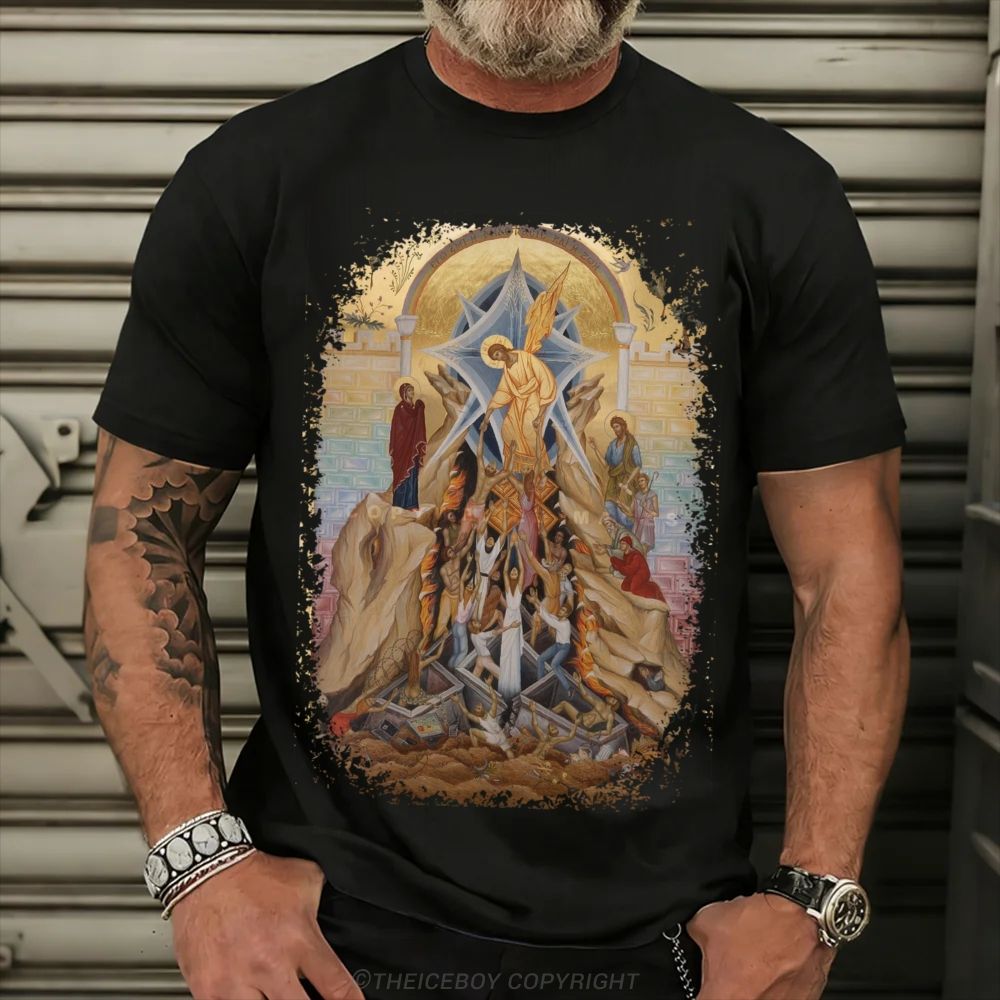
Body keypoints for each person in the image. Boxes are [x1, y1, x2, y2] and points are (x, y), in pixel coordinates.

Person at [84, 3, 909, 999]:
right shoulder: (258, 178)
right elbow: (139, 530)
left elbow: (846, 571)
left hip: (672, 950)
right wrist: (200, 867)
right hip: (326, 943)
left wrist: (813, 899)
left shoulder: (770, 194)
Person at [388, 381, 426, 509]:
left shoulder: (415, 409)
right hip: (402, 449)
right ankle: (399, 503)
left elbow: (417, 425)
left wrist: (420, 409)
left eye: (413, 390)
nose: (412, 392)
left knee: (412, 474)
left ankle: (411, 503)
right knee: (403, 474)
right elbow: (397, 431)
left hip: (412, 447)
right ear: (404, 393)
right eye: (409, 390)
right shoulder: (400, 409)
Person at [599, 414, 642, 527]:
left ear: (623, 426)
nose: (615, 430)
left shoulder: (632, 444)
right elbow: (606, 464)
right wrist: (595, 449)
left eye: (617, 426)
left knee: (624, 512)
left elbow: (638, 466)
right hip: (613, 481)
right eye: (613, 427)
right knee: (609, 505)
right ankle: (617, 531)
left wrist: (627, 483)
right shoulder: (613, 444)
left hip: (627, 481)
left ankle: (628, 533)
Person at [527, 597, 575, 696]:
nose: (560, 611)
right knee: (541, 659)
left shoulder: (564, 624)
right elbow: (547, 614)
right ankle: (540, 682)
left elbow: (548, 619)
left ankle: (568, 688)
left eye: (563, 611)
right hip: (557, 645)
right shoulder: (559, 619)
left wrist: (535, 602)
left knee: (554, 664)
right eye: (561, 609)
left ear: (567, 614)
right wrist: (536, 601)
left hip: (564, 648)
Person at [450, 689, 515, 760]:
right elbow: (495, 699)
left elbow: (467, 713)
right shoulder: (491, 714)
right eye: (478, 709)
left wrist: (458, 702)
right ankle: (513, 761)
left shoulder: (480, 720)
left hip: (493, 739)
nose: (478, 707)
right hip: (501, 736)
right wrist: (489, 686)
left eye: (478, 708)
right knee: (508, 750)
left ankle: (477, 749)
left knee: (472, 731)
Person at [498, 541, 525, 701]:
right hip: (509, 617)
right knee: (505, 652)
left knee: (514, 652)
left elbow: (522, 569)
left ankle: (514, 687)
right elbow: (505, 570)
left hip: (516, 618)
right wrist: (509, 553)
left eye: (516, 572)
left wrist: (518, 550)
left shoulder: (519, 587)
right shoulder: (508, 587)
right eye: (512, 572)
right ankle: (503, 687)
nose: (514, 572)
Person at [609, 535, 666, 603]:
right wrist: (614, 560)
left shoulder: (636, 555)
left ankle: (653, 589)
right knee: (625, 586)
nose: (621, 545)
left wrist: (619, 567)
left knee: (634, 589)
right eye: (620, 544)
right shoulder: (626, 553)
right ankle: (645, 585)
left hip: (642, 573)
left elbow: (630, 569)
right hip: (634, 572)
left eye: (623, 544)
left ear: (628, 545)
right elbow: (626, 564)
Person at [631, 472, 658, 551]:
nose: (640, 483)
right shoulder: (637, 495)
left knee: (644, 548)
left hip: (647, 524)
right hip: (637, 523)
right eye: (639, 481)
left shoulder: (653, 495)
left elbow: (656, 514)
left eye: (642, 480)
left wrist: (646, 508)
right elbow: (632, 511)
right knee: (635, 548)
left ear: (647, 481)